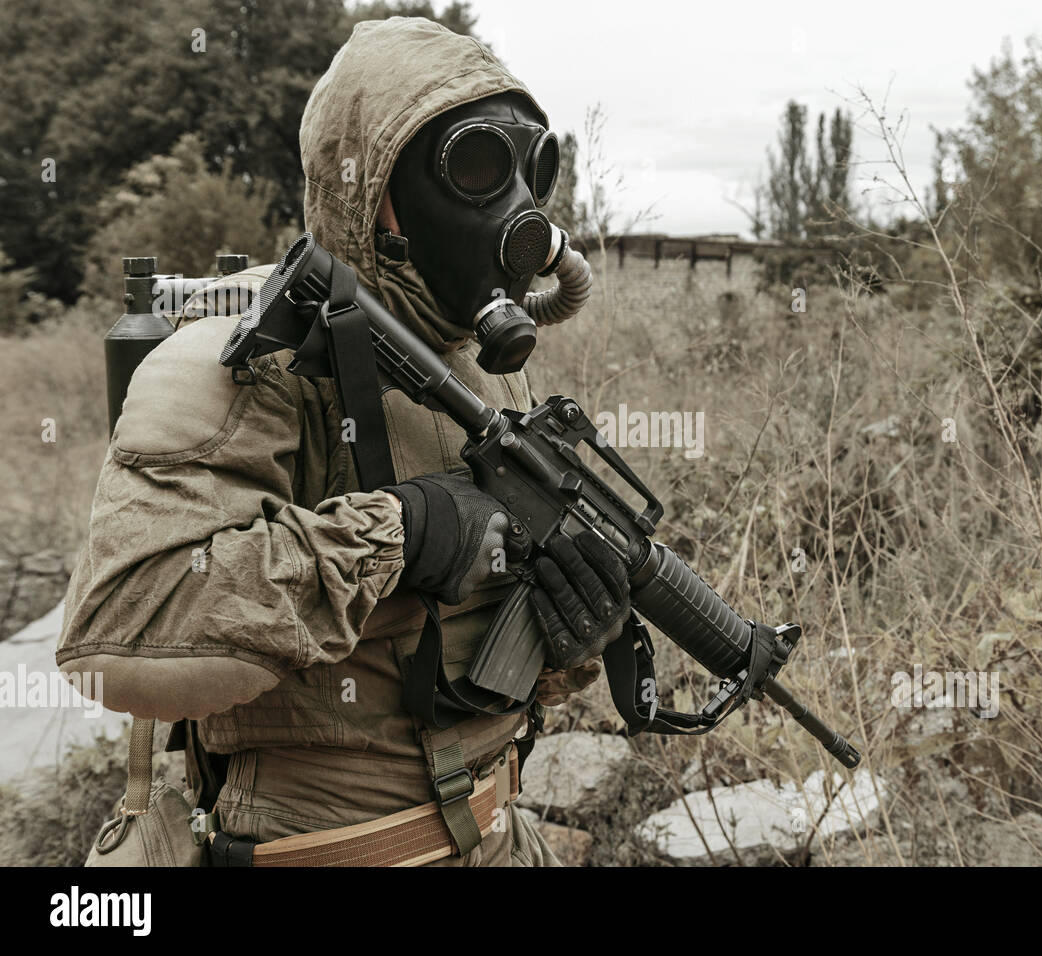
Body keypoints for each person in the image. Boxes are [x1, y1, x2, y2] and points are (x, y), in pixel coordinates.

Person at [58, 16, 626, 867]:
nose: (514, 208)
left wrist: (563, 637)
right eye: (474, 168)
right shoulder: (250, 357)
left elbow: (458, 655)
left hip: (501, 837)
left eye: (530, 170)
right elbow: (119, 635)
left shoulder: (485, 365)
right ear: (371, 189)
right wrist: (393, 536)